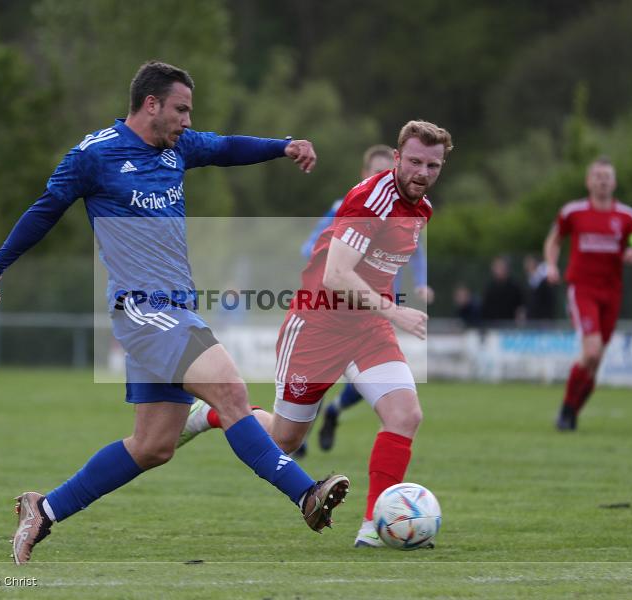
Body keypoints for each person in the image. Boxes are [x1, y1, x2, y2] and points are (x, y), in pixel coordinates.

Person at [0, 61, 349, 565]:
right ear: (150, 104)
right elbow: (45, 209)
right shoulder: (95, 155)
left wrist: (282, 145)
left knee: (152, 446)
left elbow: (226, 147)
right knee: (231, 391)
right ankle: (305, 494)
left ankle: (44, 509)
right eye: (181, 109)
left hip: (175, 310)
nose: (188, 120)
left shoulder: (179, 148)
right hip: (144, 310)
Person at [180, 120, 452, 548]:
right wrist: (394, 310)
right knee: (283, 440)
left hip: (367, 329)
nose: (422, 171)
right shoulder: (370, 200)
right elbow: (335, 276)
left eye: (432, 165)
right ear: (397, 158)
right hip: (317, 327)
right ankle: (212, 414)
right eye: (414, 161)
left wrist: (384, 313)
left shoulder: (422, 210)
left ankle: (374, 529)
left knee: (405, 415)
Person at [303, 145, 435, 454]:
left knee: (377, 379)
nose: (382, 177)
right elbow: (310, 245)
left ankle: (334, 411)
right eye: (376, 171)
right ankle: (303, 435)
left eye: (386, 170)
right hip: (332, 306)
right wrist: (333, 259)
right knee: (317, 379)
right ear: (364, 174)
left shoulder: (408, 208)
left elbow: (417, 253)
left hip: (378, 306)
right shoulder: (346, 206)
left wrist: (421, 283)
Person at [544, 156, 632, 431]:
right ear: (589, 181)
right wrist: (551, 265)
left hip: (612, 293)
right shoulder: (574, 212)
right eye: (598, 176)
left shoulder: (626, 217)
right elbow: (554, 239)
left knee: (595, 362)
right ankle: (566, 413)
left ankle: (570, 412)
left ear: (614, 182)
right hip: (583, 289)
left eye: (607, 177)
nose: (603, 181)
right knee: (590, 352)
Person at [480, 256, 524, 325]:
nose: (500, 270)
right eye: (497, 268)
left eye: (502, 268)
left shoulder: (515, 287)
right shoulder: (489, 288)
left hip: (511, 325)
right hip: (493, 325)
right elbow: (485, 309)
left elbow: (520, 307)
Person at [523, 254, 556, 322]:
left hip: (543, 318)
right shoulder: (528, 281)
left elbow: (549, 300)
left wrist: (547, 316)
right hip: (531, 318)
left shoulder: (544, 280)